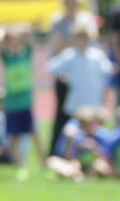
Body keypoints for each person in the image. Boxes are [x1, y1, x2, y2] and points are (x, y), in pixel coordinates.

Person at [47, 21, 114, 154]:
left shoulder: (97, 55)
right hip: (76, 103)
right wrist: (64, 78)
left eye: (85, 37)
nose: (83, 41)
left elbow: (108, 70)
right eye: (80, 37)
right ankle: (67, 155)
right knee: (74, 133)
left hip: (93, 101)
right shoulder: (69, 55)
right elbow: (51, 68)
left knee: (95, 133)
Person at [48, 0, 97, 157]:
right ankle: (57, 151)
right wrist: (75, 41)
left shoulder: (86, 18)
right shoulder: (57, 20)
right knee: (63, 114)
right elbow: (57, 45)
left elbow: (91, 41)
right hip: (65, 75)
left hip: (84, 76)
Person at [0, 24, 44, 180]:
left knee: (35, 133)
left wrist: (23, 30)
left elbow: (31, 39)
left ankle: (44, 163)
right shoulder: (7, 58)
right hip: (12, 104)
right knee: (14, 137)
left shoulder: (26, 54)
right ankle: (20, 165)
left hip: (26, 103)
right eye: (12, 39)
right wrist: (6, 31)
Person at [46, 106, 113, 180]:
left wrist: (94, 149)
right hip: (78, 164)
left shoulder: (102, 135)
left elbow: (106, 158)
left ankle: (77, 175)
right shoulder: (77, 136)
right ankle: (76, 174)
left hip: (94, 164)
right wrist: (73, 143)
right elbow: (68, 157)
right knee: (52, 161)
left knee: (100, 165)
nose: (88, 127)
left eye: (91, 124)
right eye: (85, 124)